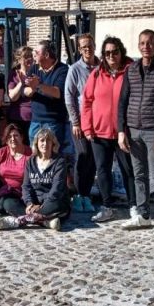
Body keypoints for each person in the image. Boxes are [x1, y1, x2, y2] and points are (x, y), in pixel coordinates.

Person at [117, 29, 154, 238]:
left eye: (150, 43)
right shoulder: (131, 69)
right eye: (142, 43)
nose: (146, 46)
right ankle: (143, 214)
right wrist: (121, 130)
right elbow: (123, 101)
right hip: (133, 130)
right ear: (138, 45)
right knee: (139, 174)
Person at [81, 36, 136, 223]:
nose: (111, 55)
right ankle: (107, 207)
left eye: (115, 52)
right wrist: (87, 128)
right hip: (100, 131)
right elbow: (87, 101)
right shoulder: (96, 74)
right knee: (102, 170)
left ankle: (134, 206)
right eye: (107, 53)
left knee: (128, 170)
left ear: (121, 52)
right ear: (103, 55)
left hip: (123, 132)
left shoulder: (131, 71)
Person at [0, 128, 70, 231]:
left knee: (56, 205)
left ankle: (19, 221)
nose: (45, 143)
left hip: (53, 202)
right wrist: (29, 203)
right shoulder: (31, 161)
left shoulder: (59, 162)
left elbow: (57, 189)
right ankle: (45, 221)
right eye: (42, 140)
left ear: (53, 143)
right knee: (9, 203)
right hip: (34, 203)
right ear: (37, 143)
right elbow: (26, 186)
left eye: (48, 140)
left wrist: (42, 207)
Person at [65, 33, 99, 213]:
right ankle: (79, 195)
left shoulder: (101, 67)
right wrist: (75, 122)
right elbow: (69, 97)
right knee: (83, 155)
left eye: (90, 46)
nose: (88, 49)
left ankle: (86, 195)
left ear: (95, 46)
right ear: (79, 49)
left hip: (98, 122)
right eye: (84, 47)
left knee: (94, 158)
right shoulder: (75, 69)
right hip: (80, 122)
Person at [23, 40, 73, 161]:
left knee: (53, 157)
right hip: (35, 121)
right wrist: (33, 88)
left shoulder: (62, 69)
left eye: (36, 52)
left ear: (46, 55)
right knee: (35, 156)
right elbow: (26, 91)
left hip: (53, 122)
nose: (33, 55)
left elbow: (57, 93)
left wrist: (38, 85)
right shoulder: (34, 68)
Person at [7, 46, 34, 144]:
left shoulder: (36, 74)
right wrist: (21, 83)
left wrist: (23, 91)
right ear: (19, 59)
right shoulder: (13, 75)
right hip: (18, 117)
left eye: (31, 56)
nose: (29, 59)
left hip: (35, 118)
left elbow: (33, 91)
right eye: (26, 57)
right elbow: (13, 97)